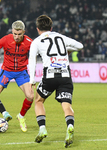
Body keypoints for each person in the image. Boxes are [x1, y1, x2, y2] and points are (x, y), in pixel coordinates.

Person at [28, 15, 83, 147]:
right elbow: (80, 46)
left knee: (39, 100)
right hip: (65, 75)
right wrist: (67, 51)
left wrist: (32, 80)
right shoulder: (61, 37)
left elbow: (32, 60)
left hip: (50, 76)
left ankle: (42, 128)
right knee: (66, 104)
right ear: (51, 27)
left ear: (38, 29)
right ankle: (70, 126)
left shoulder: (36, 41)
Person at [0, 20, 34, 133]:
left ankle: (21, 117)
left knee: (30, 96)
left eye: (19, 34)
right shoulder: (5, 39)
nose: (17, 36)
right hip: (6, 71)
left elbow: (37, 57)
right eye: (15, 34)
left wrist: (32, 77)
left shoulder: (30, 42)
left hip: (21, 72)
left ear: (24, 32)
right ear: (12, 31)